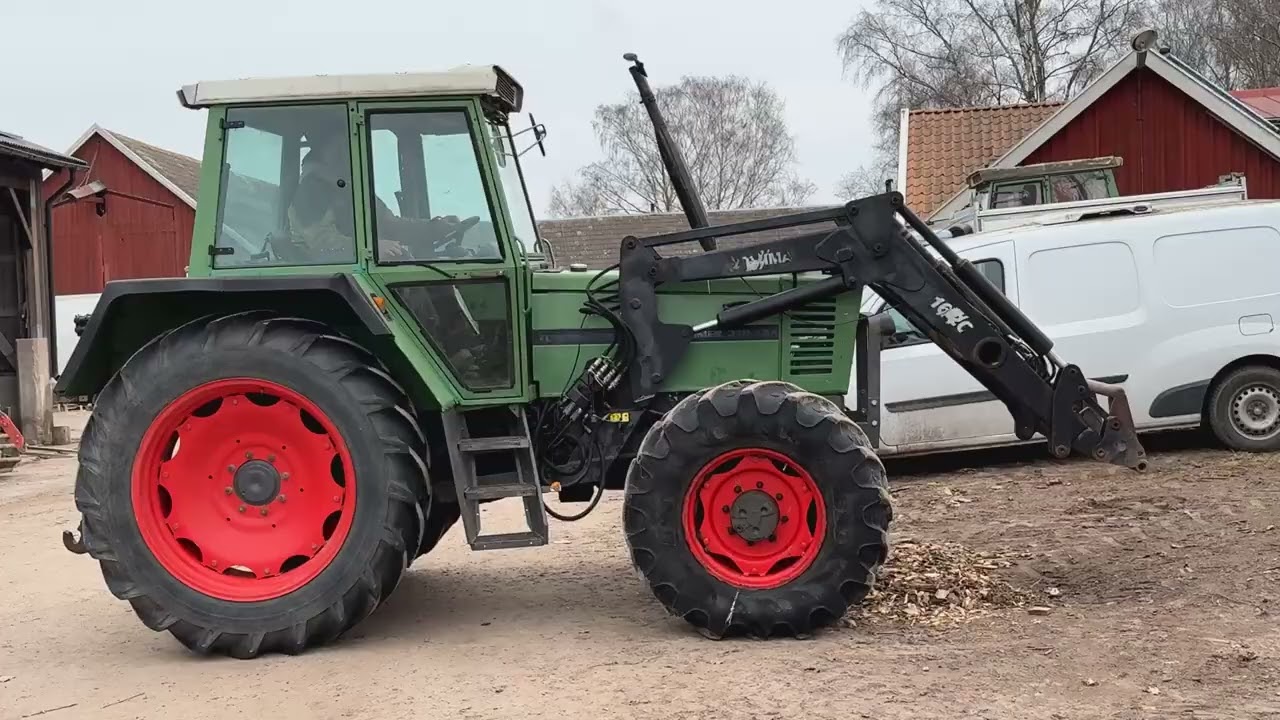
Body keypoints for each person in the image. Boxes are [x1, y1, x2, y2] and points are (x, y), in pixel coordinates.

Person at [288, 130, 461, 261]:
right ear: (328, 151)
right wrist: (371, 248)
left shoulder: (349, 188)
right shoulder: (312, 190)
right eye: (344, 143)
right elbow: (322, 243)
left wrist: (434, 228)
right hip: (333, 274)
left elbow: (389, 223)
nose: (351, 149)